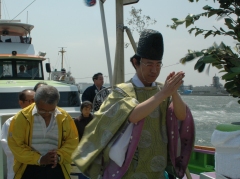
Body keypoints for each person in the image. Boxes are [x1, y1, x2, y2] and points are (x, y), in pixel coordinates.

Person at [72, 29, 189, 179]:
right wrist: (164, 93)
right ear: (136, 62)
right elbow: (133, 115)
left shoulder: (162, 90)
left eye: (158, 64)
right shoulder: (122, 91)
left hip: (158, 168)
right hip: (128, 171)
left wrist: (173, 91)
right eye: (149, 64)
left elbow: (181, 115)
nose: (154, 70)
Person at [8, 85, 79, 179]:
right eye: (42, 110)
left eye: (51, 111)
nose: (46, 114)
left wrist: (58, 156)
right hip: (28, 168)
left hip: (57, 168)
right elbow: (15, 145)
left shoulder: (65, 117)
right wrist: (39, 159)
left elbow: (72, 142)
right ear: (35, 102)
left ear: (56, 104)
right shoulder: (21, 117)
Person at [0, 89, 35, 179]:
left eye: (36, 100)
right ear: (21, 103)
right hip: (18, 170)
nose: (34, 104)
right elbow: (8, 148)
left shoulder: (44, 121)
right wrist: (33, 155)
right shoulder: (11, 122)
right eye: (31, 101)